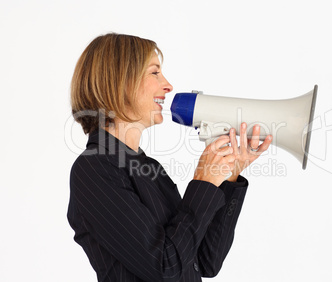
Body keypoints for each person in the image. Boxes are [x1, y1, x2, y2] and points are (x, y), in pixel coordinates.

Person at [67, 33, 272, 282]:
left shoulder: (149, 168)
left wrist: (229, 177)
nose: (168, 85)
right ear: (120, 81)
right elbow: (164, 265)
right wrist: (203, 183)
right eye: (155, 73)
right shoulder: (94, 169)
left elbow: (205, 262)